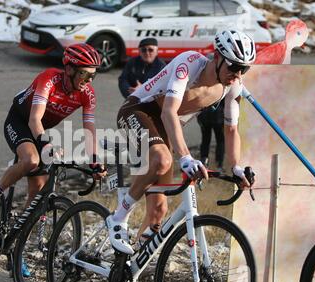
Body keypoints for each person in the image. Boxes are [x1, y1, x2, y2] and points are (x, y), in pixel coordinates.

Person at [110, 29, 256, 255]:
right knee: (162, 159)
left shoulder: (232, 85)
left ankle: (126, 269)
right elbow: (169, 111)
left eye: (244, 68)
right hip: (138, 110)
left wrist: (235, 166)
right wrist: (186, 156)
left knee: (158, 210)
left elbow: (231, 129)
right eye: (234, 66)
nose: (238, 74)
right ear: (217, 57)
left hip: (161, 128)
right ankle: (118, 217)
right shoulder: (189, 63)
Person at [0, 43, 107, 231]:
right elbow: (34, 119)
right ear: (69, 68)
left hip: (40, 130)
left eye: (92, 76)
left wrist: (95, 161)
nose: (88, 80)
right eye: (84, 74)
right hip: (21, 121)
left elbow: (89, 130)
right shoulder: (49, 79)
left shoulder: (87, 94)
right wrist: (46, 145)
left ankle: (16, 245)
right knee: (31, 160)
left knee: (37, 193)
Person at [197, 99, 225, 171]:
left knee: (206, 140)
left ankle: (204, 162)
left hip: (205, 116)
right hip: (218, 116)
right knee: (220, 140)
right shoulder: (221, 88)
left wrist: (199, 117)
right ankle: (219, 164)